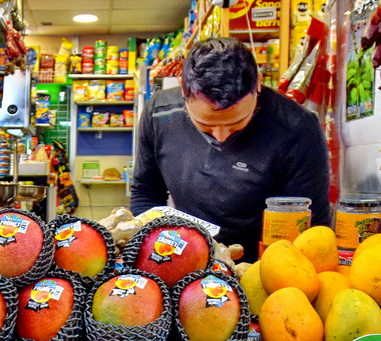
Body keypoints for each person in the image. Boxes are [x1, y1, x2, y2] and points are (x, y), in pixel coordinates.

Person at [130, 37, 332, 254]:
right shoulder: (159, 114)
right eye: (205, 126)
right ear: (183, 89)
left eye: (236, 124)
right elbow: (146, 193)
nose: (221, 136)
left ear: (258, 84)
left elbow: (311, 228)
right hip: (185, 256)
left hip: (267, 267)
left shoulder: (297, 128)